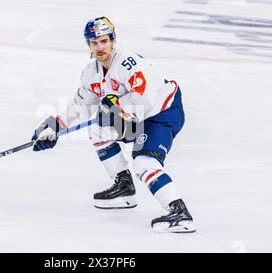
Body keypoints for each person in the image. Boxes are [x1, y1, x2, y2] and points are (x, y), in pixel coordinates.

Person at [31, 17, 195, 233]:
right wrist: (54, 127)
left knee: (144, 162)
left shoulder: (128, 62)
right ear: (88, 45)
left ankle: (180, 212)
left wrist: (117, 107)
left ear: (112, 40)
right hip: (135, 116)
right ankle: (123, 187)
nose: (99, 47)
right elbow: (80, 105)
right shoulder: (92, 73)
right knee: (98, 130)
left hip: (161, 112)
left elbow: (145, 100)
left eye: (103, 41)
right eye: (94, 42)